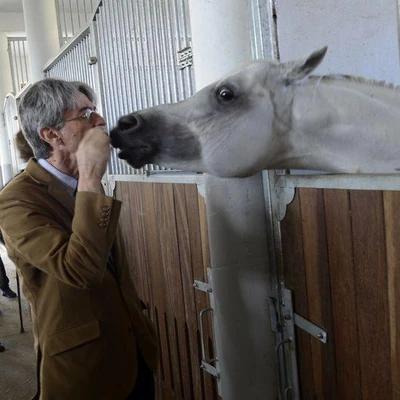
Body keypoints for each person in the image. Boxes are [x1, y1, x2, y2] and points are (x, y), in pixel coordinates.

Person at [0, 78, 159, 399]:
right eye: (85, 114)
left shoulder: (83, 185)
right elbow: (80, 271)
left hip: (133, 347)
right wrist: (90, 176)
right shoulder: (16, 200)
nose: (99, 121)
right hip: (84, 366)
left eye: (95, 111)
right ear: (51, 134)